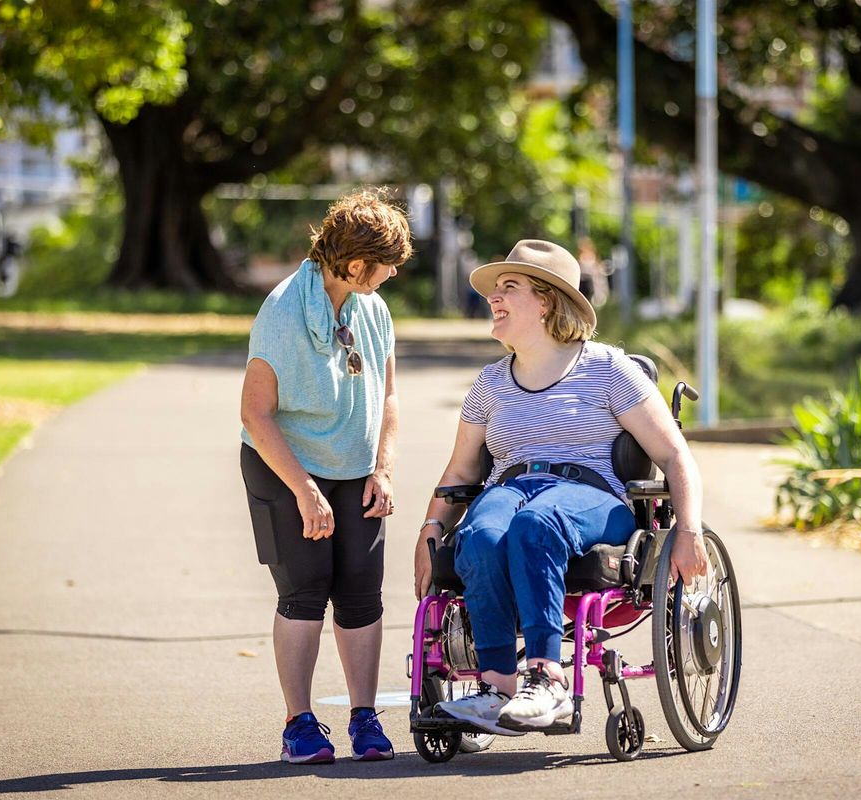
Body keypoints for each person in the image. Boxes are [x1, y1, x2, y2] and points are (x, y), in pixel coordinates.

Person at [413, 239, 709, 734]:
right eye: (495, 290)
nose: (494, 298)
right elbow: (459, 475)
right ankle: (496, 687)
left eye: (510, 287)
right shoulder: (489, 383)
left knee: (537, 523)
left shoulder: (609, 369)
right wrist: (428, 534)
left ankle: (547, 680)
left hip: (594, 497)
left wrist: (689, 529)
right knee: (481, 536)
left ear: (547, 301)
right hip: (510, 486)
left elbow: (675, 454)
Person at [240, 189, 411, 764]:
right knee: (305, 591)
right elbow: (255, 412)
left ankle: (365, 718)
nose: (392, 275)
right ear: (358, 264)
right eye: (387, 265)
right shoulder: (285, 310)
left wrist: (383, 468)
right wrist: (304, 490)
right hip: (286, 463)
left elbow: (388, 396)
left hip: (356, 467)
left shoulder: (373, 311)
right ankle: (299, 724)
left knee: (361, 593)